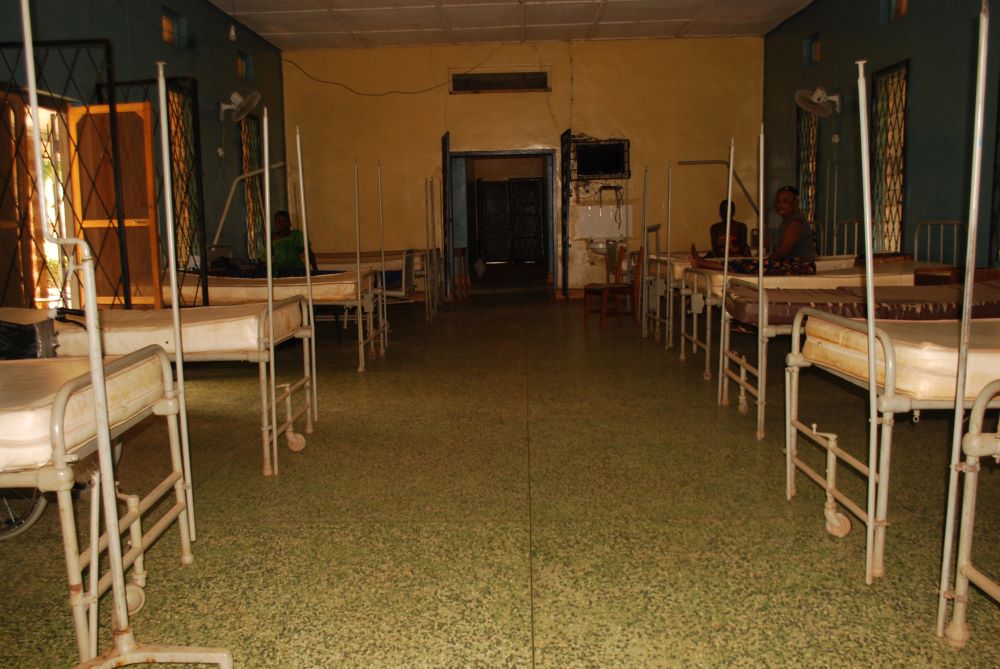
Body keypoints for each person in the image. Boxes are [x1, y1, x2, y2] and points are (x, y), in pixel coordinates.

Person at [690, 185, 815, 276]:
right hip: (788, 262)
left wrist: (767, 260)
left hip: (799, 266)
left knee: (751, 265)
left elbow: (782, 252)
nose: (780, 205)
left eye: (785, 201)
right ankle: (702, 262)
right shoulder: (788, 220)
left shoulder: (795, 222)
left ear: (795, 203)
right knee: (749, 263)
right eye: (778, 201)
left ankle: (701, 263)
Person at [271, 209, 317, 276]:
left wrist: (315, 269)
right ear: (275, 224)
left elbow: (308, 251)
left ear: (290, 223)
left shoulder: (297, 234)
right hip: (278, 272)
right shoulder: (271, 238)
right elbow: (265, 257)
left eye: (285, 221)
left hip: (297, 269)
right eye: (279, 221)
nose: (282, 223)